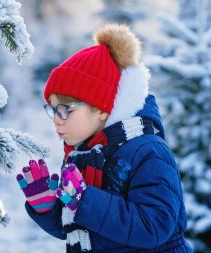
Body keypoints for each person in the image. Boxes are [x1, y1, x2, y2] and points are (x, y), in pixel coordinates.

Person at [16, 24, 193, 252]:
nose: (56, 119)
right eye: (52, 109)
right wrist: (48, 207)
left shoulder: (148, 150)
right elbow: (81, 228)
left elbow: (155, 226)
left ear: (101, 108)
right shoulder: (82, 154)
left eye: (65, 109)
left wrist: (85, 200)